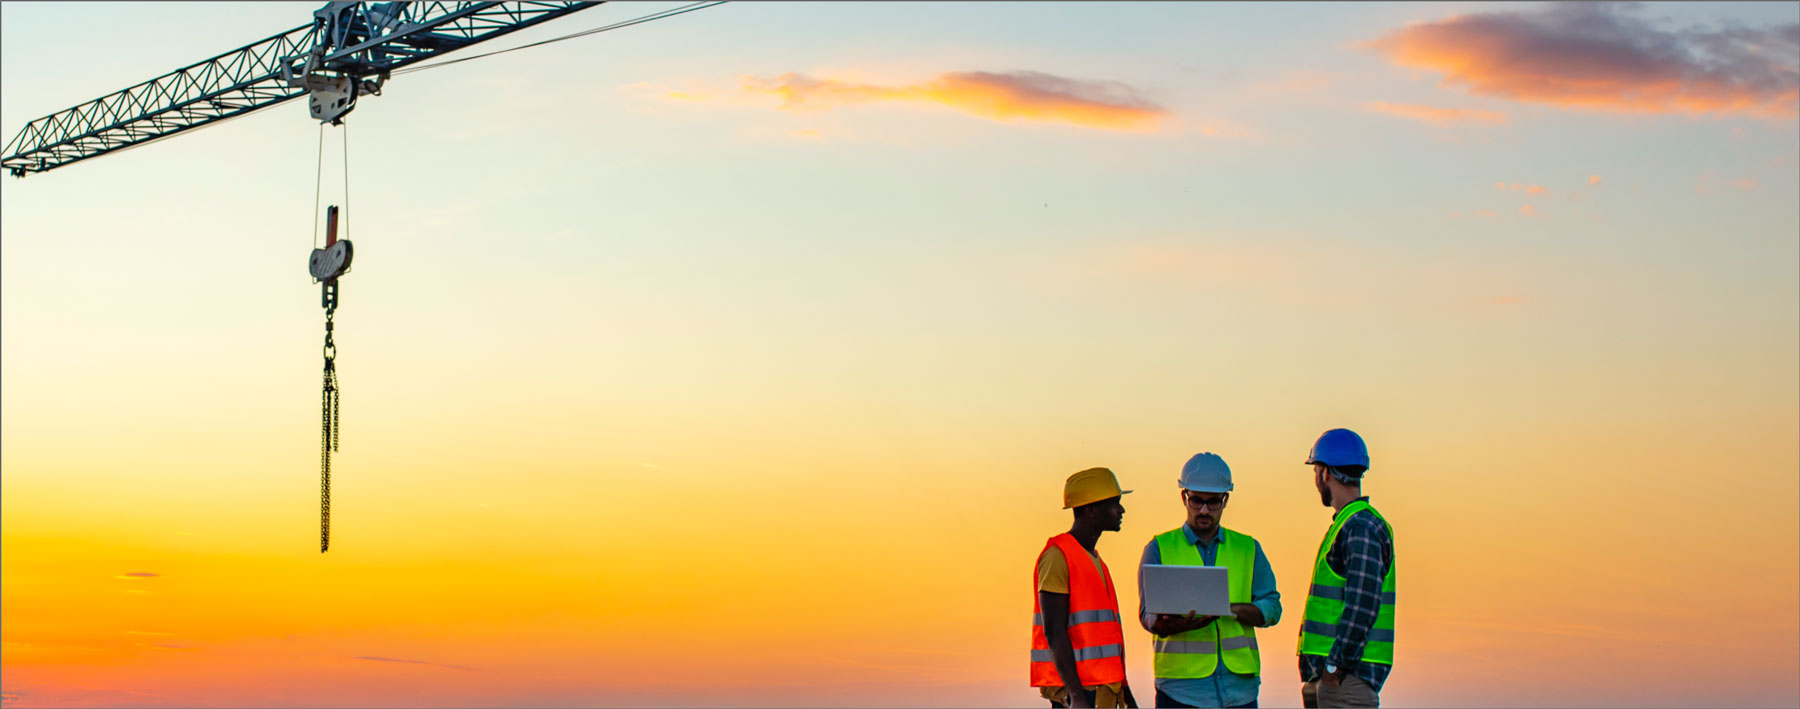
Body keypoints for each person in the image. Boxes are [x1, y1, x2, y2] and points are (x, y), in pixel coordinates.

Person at [1139, 453, 1281, 708]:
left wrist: (1231, 610)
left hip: (1240, 690)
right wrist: (1172, 624)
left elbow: (1272, 608)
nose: (1204, 510)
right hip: (1181, 692)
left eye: (1213, 502)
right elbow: (1147, 616)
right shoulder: (1158, 548)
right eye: (1196, 501)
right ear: (1184, 497)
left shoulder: (1248, 548)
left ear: (1225, 500)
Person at [1296, 429, 1396, 708]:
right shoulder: (1350, 524)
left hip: (1345, 681)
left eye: (1316, 470)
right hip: (1334, 680)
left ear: (1324, 473)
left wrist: (1334, 669)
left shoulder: (1360, 527)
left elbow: (1362, 605)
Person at [1032, 467, 1140, 708]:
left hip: (1104, 690)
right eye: (1114, 504)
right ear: (1091, 509)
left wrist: (1126, 694)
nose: (1121, 510)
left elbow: (1109, 640)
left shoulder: (1095, 560)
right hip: (1081, 694)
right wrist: (1077, 696)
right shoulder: (1058, 556)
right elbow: (1054, 631)